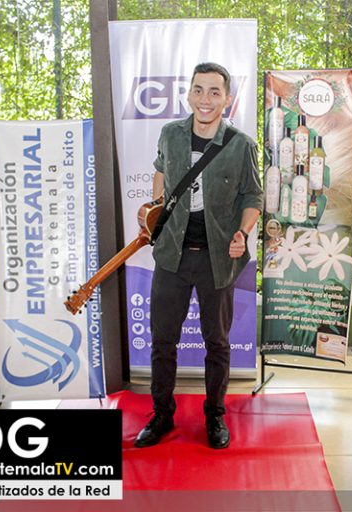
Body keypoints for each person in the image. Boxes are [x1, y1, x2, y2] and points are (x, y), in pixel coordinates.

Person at [135, 62, 263, 449]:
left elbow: (253, 196)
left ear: (227, 99)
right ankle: (161, 415)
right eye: (198, 90)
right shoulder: (170, 134)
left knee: (217, 343)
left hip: (216, 258)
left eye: (214, 92)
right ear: (189, 94)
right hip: (171, 256)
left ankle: (215, 416)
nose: (205, 99)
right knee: (162, 342)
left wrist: (242, 232)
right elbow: (161, 170)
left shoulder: (240, 144)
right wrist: (156, 208)